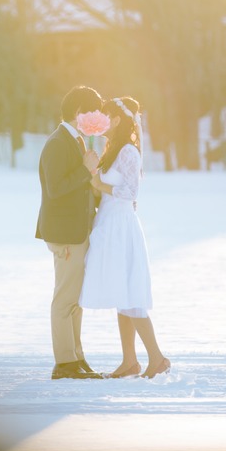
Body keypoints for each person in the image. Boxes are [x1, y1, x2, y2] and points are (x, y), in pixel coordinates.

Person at [78, 96, 171, 379]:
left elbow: (131, 192)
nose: (103, 122)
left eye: (107, 116)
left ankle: (157, 358)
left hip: (121, 227)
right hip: (109, 223)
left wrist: (97, 183)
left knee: (130, 295)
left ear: (117, 119)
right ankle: (129, 361)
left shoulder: (129, 151)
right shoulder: (112, 148)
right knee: (121, 293)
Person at [36, 85, 104, 380]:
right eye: (92, 111)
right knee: (65, 300)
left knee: (76, 301)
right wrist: (86, 170)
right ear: (78, 113)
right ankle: (64, 363)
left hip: (77, 230)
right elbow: (56, 189)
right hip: (65, 233)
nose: (97, 118)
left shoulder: (74, 140)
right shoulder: (57, 142)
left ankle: (76, 357)